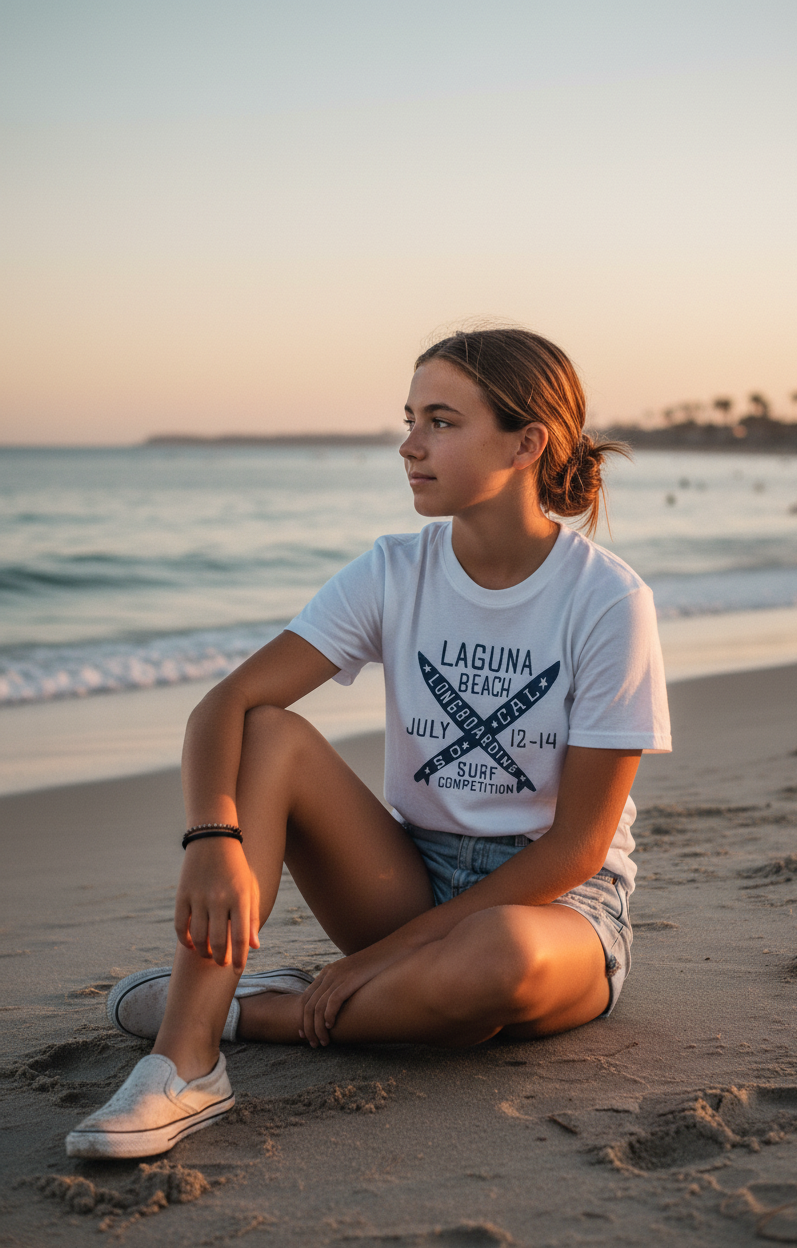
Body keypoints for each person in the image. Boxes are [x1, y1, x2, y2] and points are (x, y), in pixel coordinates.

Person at [66, 328, 671, 1160]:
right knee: (270, 733)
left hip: (557, 909)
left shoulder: (606, 601)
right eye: (410, 417)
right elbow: (228, 703)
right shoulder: (395, 571)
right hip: (410, 874)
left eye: (442, 422)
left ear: (527, 442)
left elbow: (576, 846)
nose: (409, 444)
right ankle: (185, 1059)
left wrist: (374, 960)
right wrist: (213, 838)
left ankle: (255, 1012)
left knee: (492, 963)